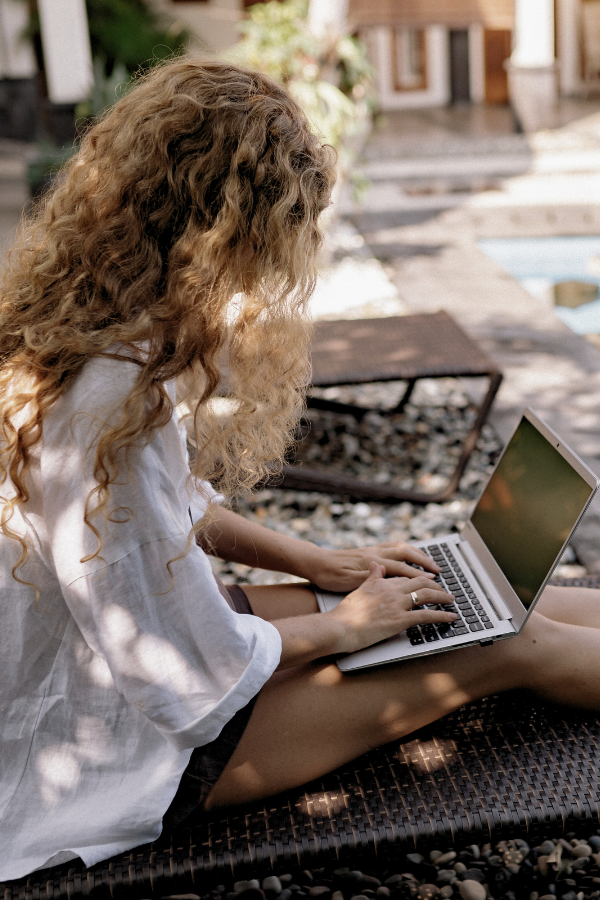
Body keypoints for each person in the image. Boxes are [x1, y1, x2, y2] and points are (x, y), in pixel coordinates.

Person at [0, 58, 599, 881]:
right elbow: (179, 679)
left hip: (121, 673)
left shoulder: (89, 332)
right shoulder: (111, 396)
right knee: (509, 643)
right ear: (225, 236)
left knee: (508, 598)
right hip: (129, 758)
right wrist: (346, 627)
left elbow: (174, 507)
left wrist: (318, 564)